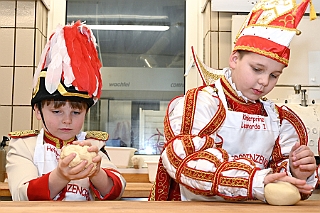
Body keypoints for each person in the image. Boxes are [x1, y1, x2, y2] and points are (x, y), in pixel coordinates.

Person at [149, 0, 319, 202]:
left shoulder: (278, 119)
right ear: (234, 60)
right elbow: (182, 159)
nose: (264, 81)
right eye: (257, 69)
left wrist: (295, 171)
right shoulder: (203, 104)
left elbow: (279, 180)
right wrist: (251, 180)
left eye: (274, 75)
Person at [6, 21, 126, 201]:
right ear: (38, 111)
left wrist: (96, 172)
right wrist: (60, 176)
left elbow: (117, 190)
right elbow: (22, 195)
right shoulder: (23, 146)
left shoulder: (92, 144)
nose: (67, 120)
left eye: (76, 113)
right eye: (57, 111)